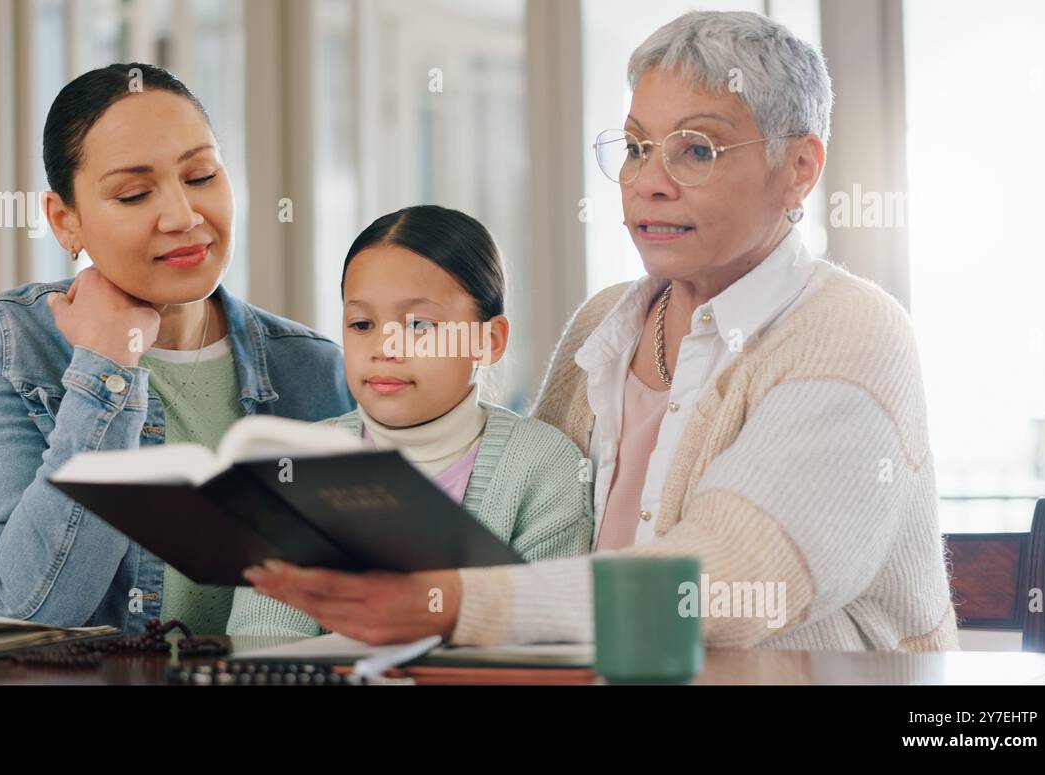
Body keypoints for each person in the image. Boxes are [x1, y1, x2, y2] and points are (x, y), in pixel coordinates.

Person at [245, 11, 960, 652]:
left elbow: (736, 579)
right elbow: (529, 523)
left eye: (697, 150)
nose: (648, 181)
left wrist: (452, 602)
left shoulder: (852, 331)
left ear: (799, 168)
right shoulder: (606, 321)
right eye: (636, 146)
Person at [0, 63, 353, 633]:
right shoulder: (11, 343)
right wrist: (107, 368)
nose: (184, 216)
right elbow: (33, 612)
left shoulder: (312, 366)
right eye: (135, 193)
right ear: (66, 221)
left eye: (201, 176)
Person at [229, 205, 593, 636]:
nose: (385, 347)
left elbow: (544, 637)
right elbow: (265, 638)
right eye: (362, 323)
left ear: (488, 341)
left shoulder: (544, 465)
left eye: (419, 325)